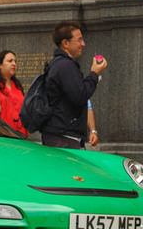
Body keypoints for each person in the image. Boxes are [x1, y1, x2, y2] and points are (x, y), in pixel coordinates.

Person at [40, 21, 107, 149]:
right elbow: (80, 95)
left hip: (62, 135)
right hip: (63, 137)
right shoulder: (65, 66)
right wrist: (94, 74)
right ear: (65, 43)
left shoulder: (60, 64)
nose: (83, 44)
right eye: (79, 40)